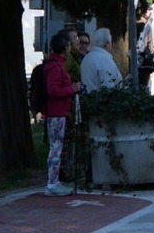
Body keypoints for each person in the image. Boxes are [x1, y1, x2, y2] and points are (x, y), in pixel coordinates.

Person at [43, 31, 83, 195]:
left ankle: (54, 181)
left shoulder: (57, 64)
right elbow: (53, 90)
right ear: (65, 48)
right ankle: (52, 183)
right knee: (56, 147)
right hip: (56, 112)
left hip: (59, 111)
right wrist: (72, 89)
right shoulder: (55, 67)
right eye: (68, 46)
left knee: (57, 146)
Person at [81, 28, 123, 93]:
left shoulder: (86, 58)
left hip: (88, 97)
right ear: (107, 44)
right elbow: (110, 86)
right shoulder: (105, 59)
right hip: (101, 98)